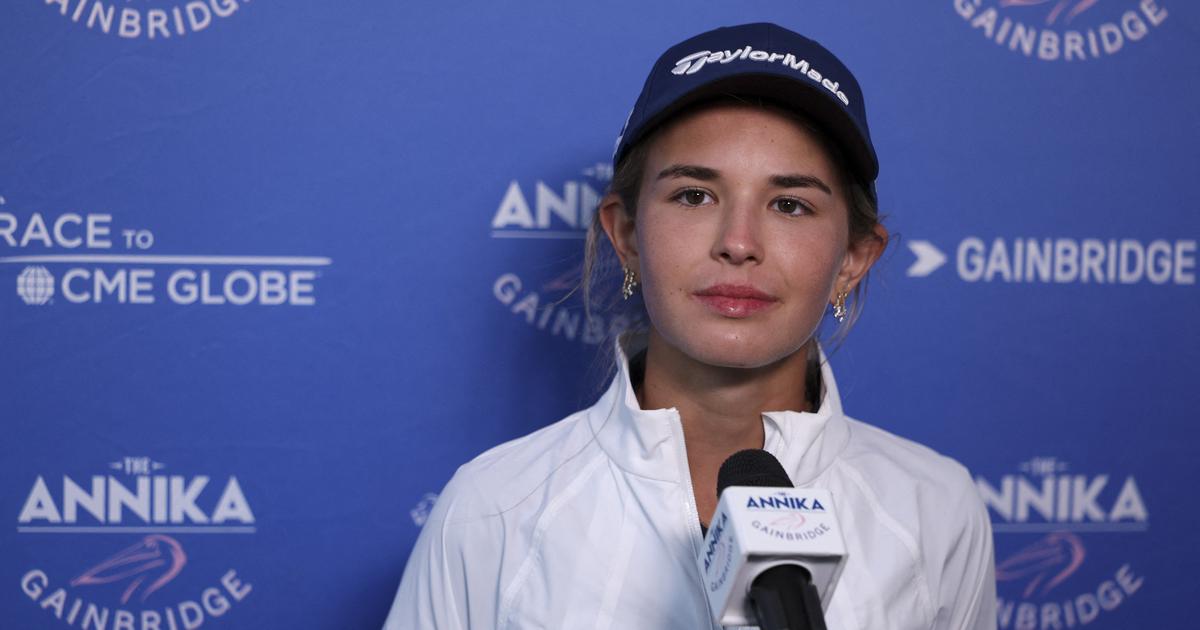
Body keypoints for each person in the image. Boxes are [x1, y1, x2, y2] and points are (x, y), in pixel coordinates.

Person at [384, 22, 996, 630]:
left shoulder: (935, 509)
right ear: (625, 234)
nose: (738, 243)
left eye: (789, 205)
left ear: (853, 260)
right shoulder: (492, 509)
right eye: (694, 196)